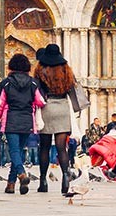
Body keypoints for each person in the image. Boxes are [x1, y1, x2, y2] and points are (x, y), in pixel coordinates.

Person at [34, 43, 87, 196]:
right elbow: (72, 88)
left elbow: (36, 89)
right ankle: (65, 178)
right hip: (63, 107)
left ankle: (43, 181)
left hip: (46, 107)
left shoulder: (40, 70)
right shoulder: (66, 70)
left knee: (44, 147)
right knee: (61, 147)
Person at [0, 53, 45, 194]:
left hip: (11, 120)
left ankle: (21, 173)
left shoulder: (6, 83)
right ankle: (10, 184)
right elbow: (40, 101)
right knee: (19, 151)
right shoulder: (33, 83)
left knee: (13, 151)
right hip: (27, 121)